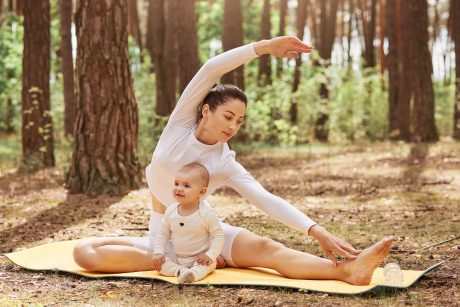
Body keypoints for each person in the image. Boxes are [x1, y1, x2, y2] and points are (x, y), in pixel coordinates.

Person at [73, 36, 393, 286]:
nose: (232, 126)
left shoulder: (224, 162)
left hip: (205, 235)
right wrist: (265, 47)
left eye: (239, 121)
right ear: (206, 110)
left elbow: (264, 199)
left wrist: (316, 230)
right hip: (165, 239)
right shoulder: (180, 125)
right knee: (83, 252)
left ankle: (347, 272)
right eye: (228, 116)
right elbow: (212, 68)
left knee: (267, 248)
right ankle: (183, 261)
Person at [152, 162, 224, 284]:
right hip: (178, 258)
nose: (179, 188)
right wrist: (158, 252)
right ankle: (181, 271)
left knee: (209, 265)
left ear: (201, 192)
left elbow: (218, 236)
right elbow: (163, 233)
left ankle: (194, 274)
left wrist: (210, 255)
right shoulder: (171, 210)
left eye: (186, 186)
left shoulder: (206, 214)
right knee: (161, 265)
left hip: (200, 258)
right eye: (176, 183)